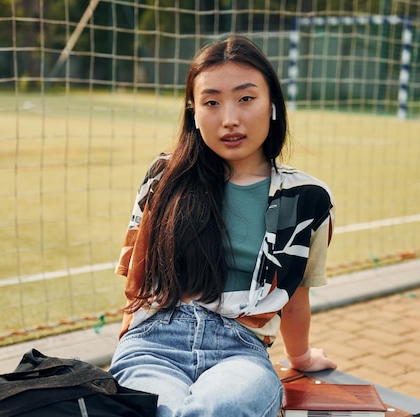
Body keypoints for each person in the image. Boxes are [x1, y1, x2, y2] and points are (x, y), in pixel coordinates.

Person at [109, 36, 337, 417]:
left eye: (246, 98)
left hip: (240, 352)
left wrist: (301, 357)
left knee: (220, 409)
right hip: (153, 343)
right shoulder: (165, 177)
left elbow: (296, 299)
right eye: (211, 102)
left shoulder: (307, 198)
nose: (229, 118)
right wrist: (128, 344)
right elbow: (138, 272)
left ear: (273, 105)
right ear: (193, 113)